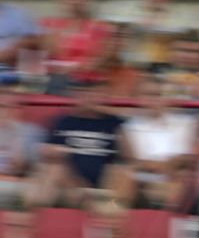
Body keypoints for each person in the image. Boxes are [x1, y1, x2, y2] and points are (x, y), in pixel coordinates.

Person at [31, 76, 133, 208]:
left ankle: (109, 218)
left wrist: (108, 111)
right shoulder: (63, 122)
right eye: (83, 91)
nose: (88, 96)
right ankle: (36, 220)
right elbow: (49, 155)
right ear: (74, 94)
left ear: (103, 93)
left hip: (105, 185)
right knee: (51, 169)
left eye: (93, 91)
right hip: (69, 185)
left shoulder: (115, 123)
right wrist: (74, 184)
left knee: (122, 172)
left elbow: (129, 157)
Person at [123, 76, 196, 209]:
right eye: (147, 94)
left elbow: (186, 156)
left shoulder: (185, 123)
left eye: (157, 95)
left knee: (181, 178)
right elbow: (133, 158)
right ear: (138, 97)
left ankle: (166, 224)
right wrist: (158, 167)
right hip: (141, 177)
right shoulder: (128, 126)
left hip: (173, 175)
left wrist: (166, 166)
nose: (152, 99)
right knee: (121, 175)